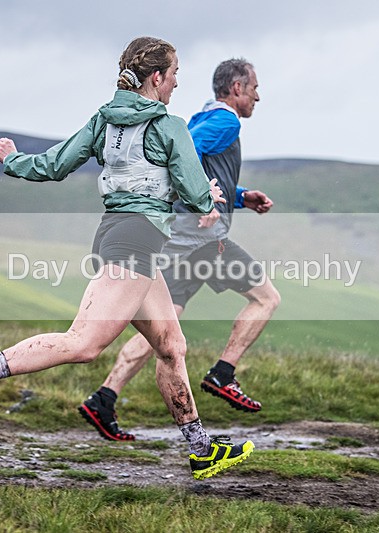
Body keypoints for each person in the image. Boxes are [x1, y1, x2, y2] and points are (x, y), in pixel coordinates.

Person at [0, 37, 254, 480]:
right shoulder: (170, 126)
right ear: (156, 78)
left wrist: (13, 159)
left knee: (171, 347)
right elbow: (193, 189)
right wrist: (213, 198)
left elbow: (53, 165)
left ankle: (201, 448)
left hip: (125, 237)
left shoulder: (103, 121)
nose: (176, 85)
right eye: (174, 76)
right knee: (84, 344)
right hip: (134, 242)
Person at [78, 58, 281, 442]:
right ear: (237, 88)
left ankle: (104, 397)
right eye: (254, 87)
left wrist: (239, 196)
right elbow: (186, 156)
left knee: (165, 327)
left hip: (184, 242)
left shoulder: (203, 115)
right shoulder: (227, 121)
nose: (258, 94)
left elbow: (194, 160)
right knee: (266, 298)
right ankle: (223, 373)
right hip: (204, 241)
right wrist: (203, 200)